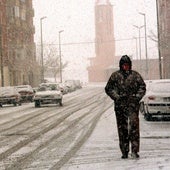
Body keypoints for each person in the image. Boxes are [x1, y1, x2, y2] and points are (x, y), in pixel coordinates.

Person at [105, 55, 146, 159]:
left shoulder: (135, 75)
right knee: (122, 130)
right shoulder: (115, 76)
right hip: (120, 107)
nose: (125, 67)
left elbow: (142, 87)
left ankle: (135, 151)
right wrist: (117, 97)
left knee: (134, 128)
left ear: (130, 65)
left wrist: (137, 97)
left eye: (127, 65)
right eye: (123, 65)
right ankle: (124, 151)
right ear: (120, 65)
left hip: (133, 106)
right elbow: (108, 88)